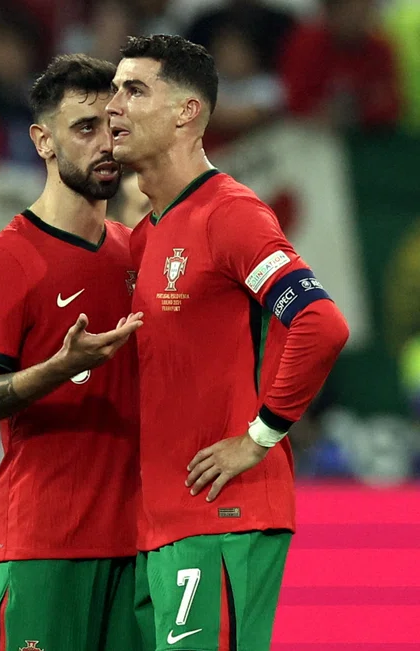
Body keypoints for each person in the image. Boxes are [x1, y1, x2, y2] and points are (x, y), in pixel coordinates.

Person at [105, 35, 350, 651]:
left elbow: (320, 322)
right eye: (113, 90)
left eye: (134, 90)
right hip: (159, 522)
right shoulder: (146, 236)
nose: (113, 107)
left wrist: (260, 436)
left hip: (223, 512)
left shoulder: (230, 215)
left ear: (187, 112)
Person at [0, 54, 145, 651]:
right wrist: (59, 368)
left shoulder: (136, 253)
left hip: (136, 544)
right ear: (43, 140)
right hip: (43, 543)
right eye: (84, 129)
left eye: (113, 128)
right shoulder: (7, 260)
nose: (105, 144)